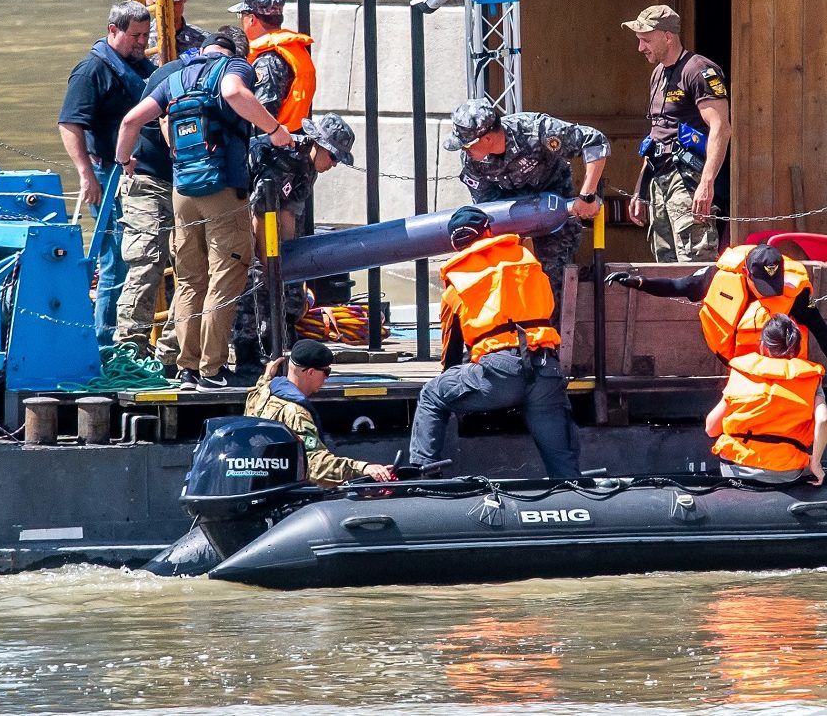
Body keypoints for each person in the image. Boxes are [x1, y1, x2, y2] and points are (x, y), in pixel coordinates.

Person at [115, 29, 293, 392]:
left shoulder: (175, 76)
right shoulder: (234, 67)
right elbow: (232, 93)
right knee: (225, 277)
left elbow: (131, 121)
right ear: (234, 52)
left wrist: (124, 160)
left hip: (183, 191)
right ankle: (212, 372)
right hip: (222, 189)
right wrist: (274, 130)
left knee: (190, 280)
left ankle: (187, 368)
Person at [409, 206, 581, 479]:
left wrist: (458, 385)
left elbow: (451, 355)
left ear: (455, 244)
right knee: (562, 463)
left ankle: (422, 476)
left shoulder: (457, 285)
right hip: (546, 368)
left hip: (498, 373)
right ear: (489, 231)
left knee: (432, 394)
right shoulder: (528, 263)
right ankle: (574, 495)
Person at [606, 243, 827, 406]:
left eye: (773, 286)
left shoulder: (792, 291)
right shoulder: (717, 277)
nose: (769, 292)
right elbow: (677, 286)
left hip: (780, 371)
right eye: (762, 286)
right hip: (740, 369)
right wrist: (637, 281)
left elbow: (821, 330)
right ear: (745, 273)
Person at [57, 0, 165, 347]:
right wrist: (86, 175)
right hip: (107, 176)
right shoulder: (91, 71)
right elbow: (70, 124)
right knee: (116, 259)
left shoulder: (142, 67)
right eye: (135, 35)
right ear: (112, 31)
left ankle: (131, 338)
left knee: (142, 257)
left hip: (143, 178)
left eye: (146, 35)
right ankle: (105, 344)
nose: (141, 42)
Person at [444, 98, 609, 311]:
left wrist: (587, 196)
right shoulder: (473, 161)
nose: (464, 151)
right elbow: (486, 208)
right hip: (509, 221)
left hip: (556, 214)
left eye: (466, 145)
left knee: (550, 282)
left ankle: (550, 341)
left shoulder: (534, 130)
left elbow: (595, 142)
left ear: (486, 138)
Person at [232, 113, 356, 375]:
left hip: (272, 230)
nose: (334, 164)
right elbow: (260, 215)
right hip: (245, 226)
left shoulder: (307, 167)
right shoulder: (283, 160)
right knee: (255, 286)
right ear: (318, 144)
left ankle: (278, 345)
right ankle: (247, 355)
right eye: (333, 156)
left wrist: (289, 262)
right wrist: (269, 264)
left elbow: (289, 214)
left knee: (291, 294)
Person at [623, 5, 731, 261]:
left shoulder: (699, 70)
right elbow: (656, 136)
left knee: (695, 261)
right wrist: (640, 189)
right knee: (665, 263)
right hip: (659, 178)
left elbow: (721, 128)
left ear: (668, 36)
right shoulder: (657, 74)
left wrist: (706, 184)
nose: (641, 48)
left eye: (646, 40)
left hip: (688, 179)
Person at [246, 339, 395, 488]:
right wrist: (363, 468)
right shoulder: (296, 413)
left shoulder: (264, 392)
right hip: (286, 492)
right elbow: (315, 465)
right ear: (310, 372)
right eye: (326, 372)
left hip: (261, 484)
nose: (327, 378)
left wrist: (267, 375)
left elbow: (259, 387)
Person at [705, 315, 827, 485]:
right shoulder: (811, 377)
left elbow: (711, 429)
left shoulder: (742, 371)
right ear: (796, 348)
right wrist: (815, 463)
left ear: (763, 345)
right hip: (784, 470)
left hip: (735, 467)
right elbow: (823, 420)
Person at [229, 0, 316, 132]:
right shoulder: (293, 49)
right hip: (293, 139)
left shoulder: (268, 60)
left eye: (241, 15)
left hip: (273, 147)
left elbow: (264, 113)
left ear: (251, 19)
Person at [144, 0, 208, 64]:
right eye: (160, 2)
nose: (167, 8)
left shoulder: (204, 42)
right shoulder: (140, 41)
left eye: (174, 1)